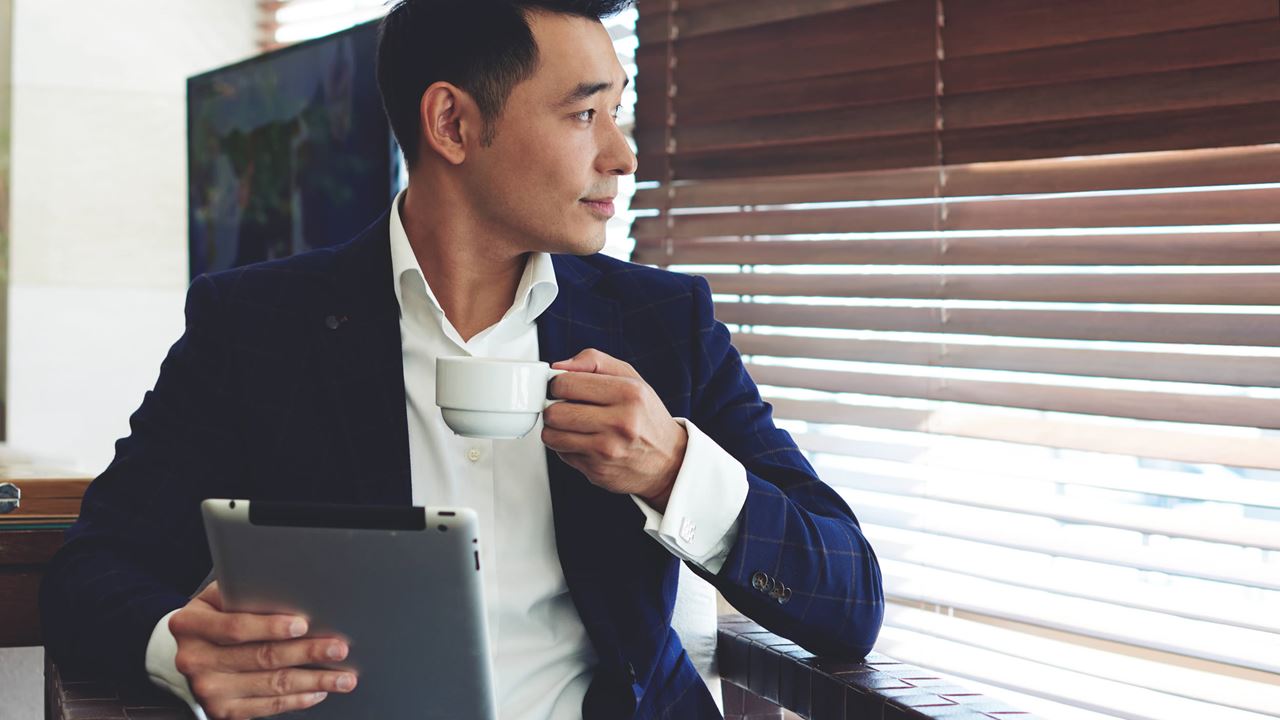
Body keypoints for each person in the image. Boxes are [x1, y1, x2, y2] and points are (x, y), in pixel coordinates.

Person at [39, 1, 884, 718]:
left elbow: (850, 605)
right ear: (453, 123)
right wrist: (180, 648)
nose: (623, 154)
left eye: (616, 112)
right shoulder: (255, 326)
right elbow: (91, 570)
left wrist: (672, 469)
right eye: (586, 114)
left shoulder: (664, 325)